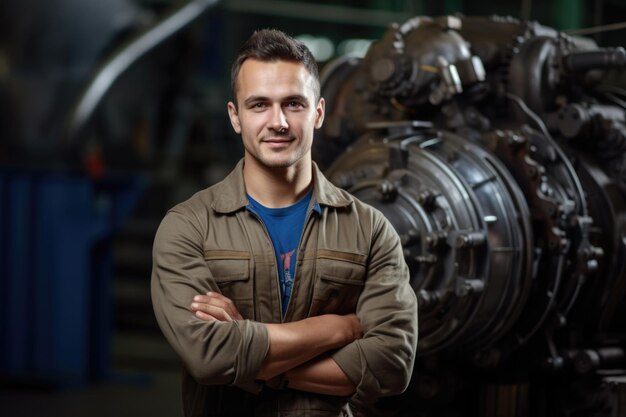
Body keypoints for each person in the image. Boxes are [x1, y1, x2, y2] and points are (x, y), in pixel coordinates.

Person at [151, 28, 418, 417]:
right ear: (235, 116)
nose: (277, 121)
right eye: (259, 105)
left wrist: (251, 359)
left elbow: (391, 364)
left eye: (293, 103)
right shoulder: (189, 227)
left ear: (319, 112)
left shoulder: (370, 230)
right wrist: (336, 330)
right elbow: (208, 357)